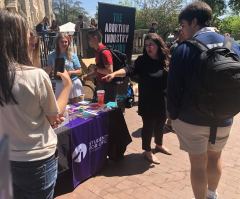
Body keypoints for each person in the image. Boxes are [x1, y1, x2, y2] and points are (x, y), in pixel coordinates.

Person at [167, 2, 240, 199]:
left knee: (198, 164)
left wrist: (173, 117)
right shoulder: (233, 45)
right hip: (224, 117)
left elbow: (172, 90)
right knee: (215, 157)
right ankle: (212, 194)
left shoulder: (183, 49)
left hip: (192, 120)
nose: (182, 30)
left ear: (194, 21)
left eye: (183, 25)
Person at [0, 10, 72, 199]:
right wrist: (67, 87)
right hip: (37, 161)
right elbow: (55, 118)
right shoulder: (35, 76)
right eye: (27, 33)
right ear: (18, 37)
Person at [103, 33, 171, 164]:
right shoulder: (142, 61)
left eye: (151, 45)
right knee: (148, 126)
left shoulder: (165, 60)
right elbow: (129, 69)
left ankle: (159, 144)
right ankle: (147, 151)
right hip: (148, 100)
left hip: (163, 99)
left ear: (158, 45)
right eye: (146, 45)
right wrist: (114, 74)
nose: (148, 48)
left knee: (160, 123)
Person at [47, 33, 83, 104]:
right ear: (58, 42)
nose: (64, 43)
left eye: (66, 42)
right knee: (61, 108)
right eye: (62, 42)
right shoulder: (51, 56)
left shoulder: (73, 55)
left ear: (68, 42)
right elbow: (49, 70)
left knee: (75, 108)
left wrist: (70, 73)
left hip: (73, 83)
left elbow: (80, 71)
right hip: (59, 84)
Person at [83, 29, 118, 103]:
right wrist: (87, 75)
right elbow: (99, 71)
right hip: (101, 86)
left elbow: (109, 71)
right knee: (98, 108)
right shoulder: (98, 51)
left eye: (89, 39)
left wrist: (95, 68)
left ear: (95, 38)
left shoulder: (104, 52)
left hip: (108, 88)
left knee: (108, 110)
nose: (88, 41)